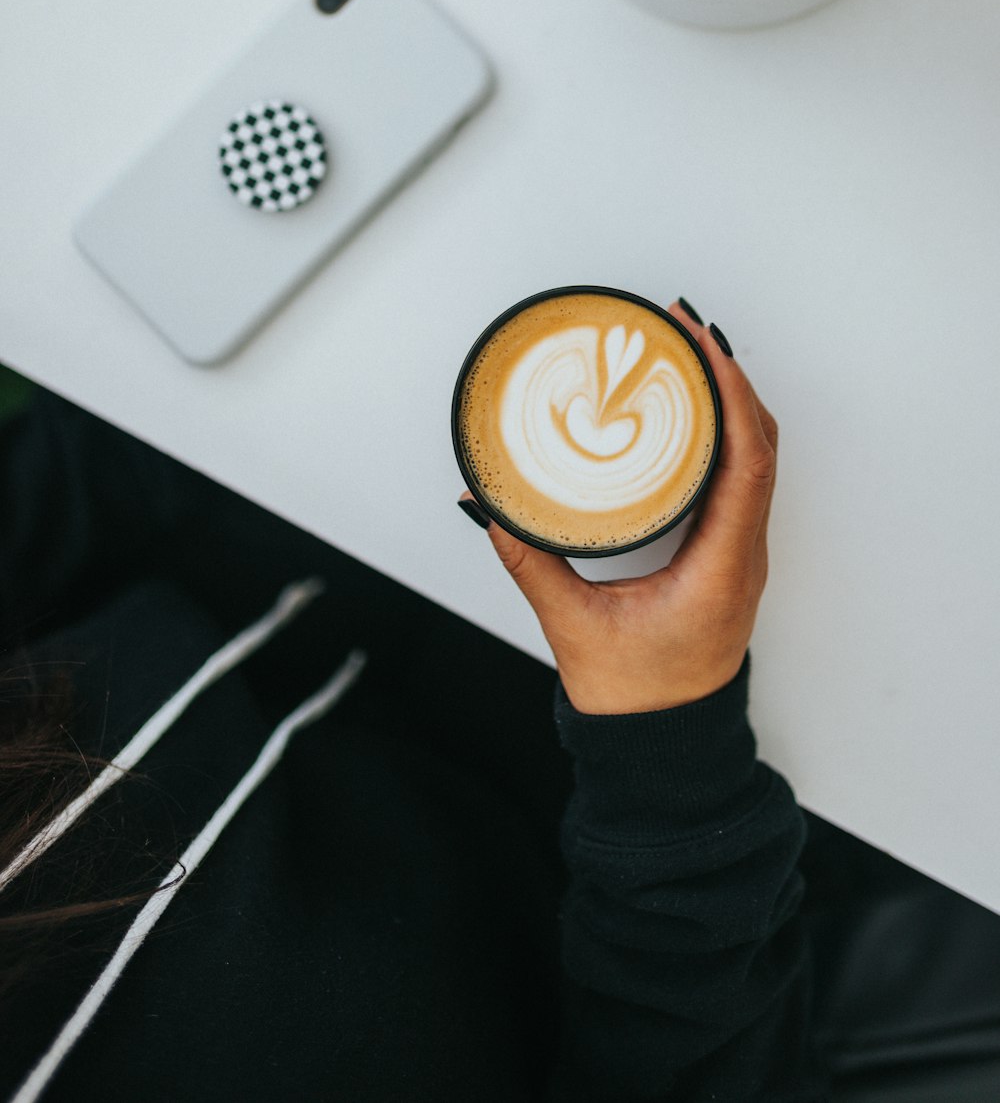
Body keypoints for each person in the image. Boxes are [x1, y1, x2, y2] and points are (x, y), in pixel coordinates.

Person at [0, 303, 997, 1103]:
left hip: (359, 465)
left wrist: (267, 377)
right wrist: (664, 730)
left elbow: (64, 493)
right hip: (736, 819)